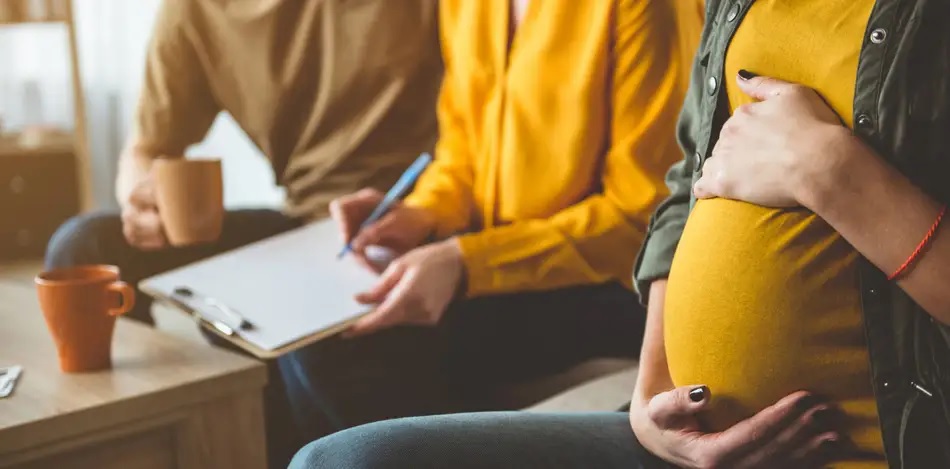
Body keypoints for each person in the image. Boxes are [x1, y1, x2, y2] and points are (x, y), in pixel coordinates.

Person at [288, 0, 950, 467]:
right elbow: (684, 185)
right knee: (333, 446)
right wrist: (427, 216)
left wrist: (830, 171)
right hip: (671, 418)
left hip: (592, 286)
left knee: (340, 357)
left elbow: (632, 210)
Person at [274, 0, 698, 449]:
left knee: (337, 354)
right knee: (305, 335)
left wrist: (466, 263)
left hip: (614, 283)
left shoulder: (642, 8)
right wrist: (421, 213)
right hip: (499, 263)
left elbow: (640, 217)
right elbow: (460, 154)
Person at [43, 0, 440, 466]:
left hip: (411, 212)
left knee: (298, 326)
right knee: (85, 246)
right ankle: (141, 443)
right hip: (303, 220)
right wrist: (144, 197)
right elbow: (147, 147)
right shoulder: (196, 11)